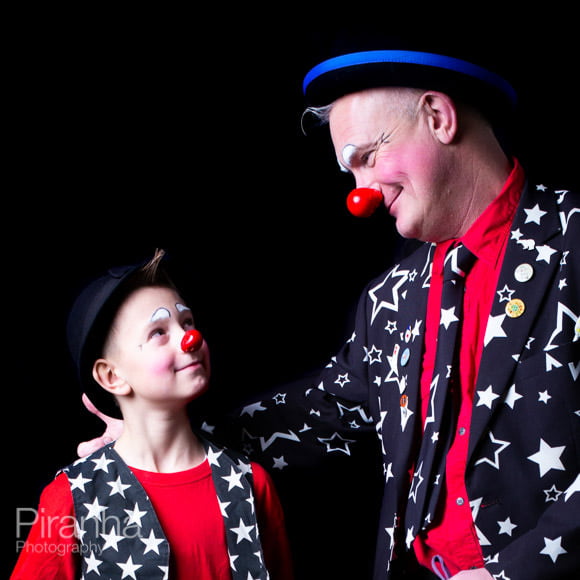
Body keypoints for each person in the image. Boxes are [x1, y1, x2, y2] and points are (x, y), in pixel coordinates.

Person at [74, 38, 579, 579]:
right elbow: (321, 415)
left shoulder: (572, 240)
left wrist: (514, 573)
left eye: (366, 158)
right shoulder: (392, 297)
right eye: (350, 174)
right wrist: (156, 436)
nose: (360, 193)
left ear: (438, 116)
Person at [11, 249, 293, 580]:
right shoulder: (70, 497)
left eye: (186, 322)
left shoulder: (250, 482)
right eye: (158, 332)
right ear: (112, 377)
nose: (190, 338)